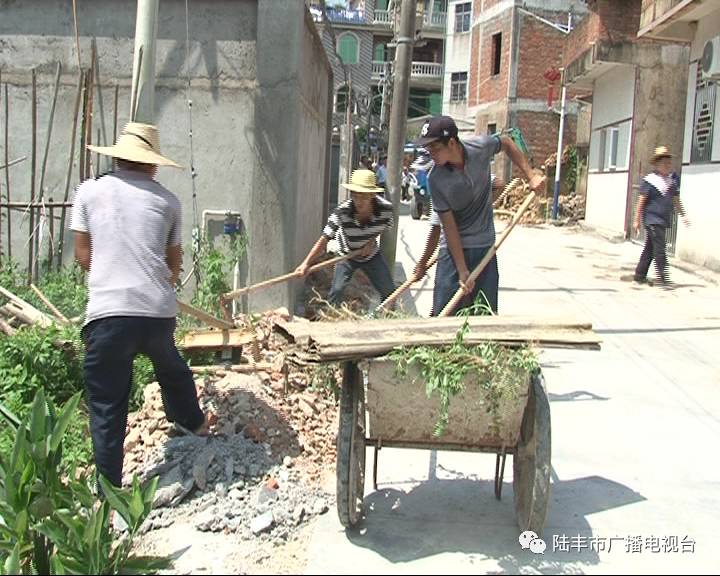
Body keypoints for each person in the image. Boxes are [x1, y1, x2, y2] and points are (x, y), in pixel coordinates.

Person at [71, 122, 208, 489]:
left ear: (117, 158)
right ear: (153, 164)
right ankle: (193, 423)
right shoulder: (168, 201)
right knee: (170, 367)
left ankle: (109, 491)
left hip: (108, 315)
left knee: (107, 405)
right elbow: (174, 266)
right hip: (157, 313)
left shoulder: (89, 192)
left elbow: (84, 257)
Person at [411, 116, 545, 315]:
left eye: (435, 148)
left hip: (484, 246)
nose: (431, 154)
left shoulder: (479, 147)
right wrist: (462, 269)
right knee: (443, 314)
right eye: (428, 149)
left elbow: (507, 142)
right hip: (453, 252)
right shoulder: (436, 179)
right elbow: (448, 227)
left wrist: (531, 175)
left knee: (485, 313)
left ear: (452, 142)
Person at [296, 169, 395, 307]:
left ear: (372, 195)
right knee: (336, 291)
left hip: (371, 256)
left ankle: (390, 318)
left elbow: (383, 227)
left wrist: (371, 242)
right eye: (356, 196)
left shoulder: (386, 210)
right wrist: (306, 263)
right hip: (347, 256)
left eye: (364, 196)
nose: (359, 201)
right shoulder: (342, 211)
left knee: (389, 291)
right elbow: (324, 239)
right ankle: (330, 317)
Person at [633, 146, 689, 288]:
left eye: (669, 163)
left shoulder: (671, 182)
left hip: (663, 220)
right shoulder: (650, 181)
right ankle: (663, 279)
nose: (667, 166)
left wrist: (683, 215)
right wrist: (636, 220)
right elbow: (641, 200)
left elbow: (676, 201)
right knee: (660, 249)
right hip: (652, 220)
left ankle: (639, 275)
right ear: (657, 164)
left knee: (650, 249)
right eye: (664, 163)